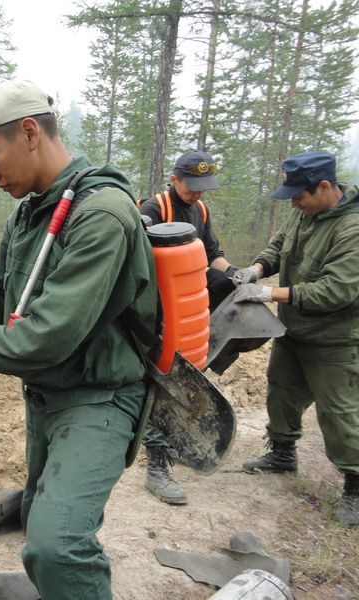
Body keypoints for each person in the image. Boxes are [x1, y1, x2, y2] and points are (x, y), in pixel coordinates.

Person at [0, 79, 158, 600]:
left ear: (30, 132)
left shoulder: (101, 213)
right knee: (46, 524)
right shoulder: (34, 208)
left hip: (99, 399)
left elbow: (47, 335)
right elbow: (0, 284)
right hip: (48, 398)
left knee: (56, 543)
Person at [233, 151, 359, 527]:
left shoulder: (351, 229)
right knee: (281, 391)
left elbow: (337, 291)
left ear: (324, 187)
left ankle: (354, 488)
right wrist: (256, 270)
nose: (294, 202)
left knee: (339, 412)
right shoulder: (303, 211)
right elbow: (277, 247)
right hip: (294, 331)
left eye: (299, 195)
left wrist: (270, 294)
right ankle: (283, 454)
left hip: (335, 340)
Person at [137, 150, 237, 505]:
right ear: (174, 178)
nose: (197, 193)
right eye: (192, 186)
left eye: (203, 188)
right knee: (157, 386)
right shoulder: (152, 210)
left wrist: (234, 274)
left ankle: (177, 443)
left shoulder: (201, 210)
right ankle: (157, 465)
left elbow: (212, 252)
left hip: (188, 314)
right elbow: (133, 264)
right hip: (154, 317)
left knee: (186, 377)